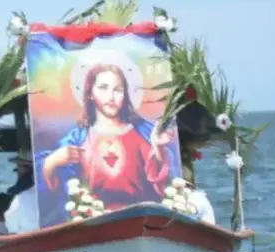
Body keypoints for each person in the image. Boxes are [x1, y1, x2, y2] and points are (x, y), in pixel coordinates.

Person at [39, 63, 180, 224]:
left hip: (142, 219)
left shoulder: (145, 134)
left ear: (125, 95)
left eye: (118, 90)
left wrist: (159, 147)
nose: (111, 97)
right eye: (103, 88)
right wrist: (51, 163)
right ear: (90, 93)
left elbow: (165, 181)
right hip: (93, 224)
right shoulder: (78, 138)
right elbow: (58, 192)